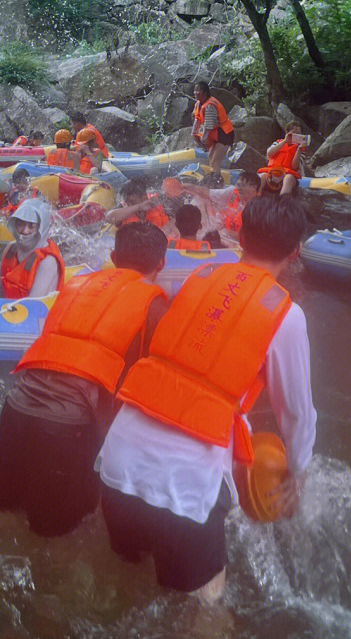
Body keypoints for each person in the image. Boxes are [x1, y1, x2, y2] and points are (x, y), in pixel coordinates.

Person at [95, 194, 316, 599]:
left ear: (240, 236)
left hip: (117, 462)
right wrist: (298, 475)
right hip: (185, 489)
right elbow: (297, 415)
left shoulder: (195, 279)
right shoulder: (287, 315)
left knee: (123, 588)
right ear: (296, 251)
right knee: (205, 614)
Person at [0, 222, 170, 536]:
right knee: (57, 541)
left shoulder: (76, 286)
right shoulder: (154, 306)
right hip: (67, 428)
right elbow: (142, 389)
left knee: (3, 520)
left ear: (113, 256)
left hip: (16, 406)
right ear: (162, 264)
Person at [0, 198, 65, 298]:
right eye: (20, 224)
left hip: (29, 311)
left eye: (31, 226)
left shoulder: (48, 261)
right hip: (7, 308)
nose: (25, 231)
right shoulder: (11, 248)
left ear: (41, 228)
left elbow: (33, 304)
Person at [182, 171, 261, 238]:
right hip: (225, 235)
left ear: (254, 187)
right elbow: (208, 193)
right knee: (200, 200)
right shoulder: (233, 192)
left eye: (243, 185)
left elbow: (251, 238)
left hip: (240, 244)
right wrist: (190, 187)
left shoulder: (259, 208)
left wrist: (224, 232)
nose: (239, 188)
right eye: (238, 185)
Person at [191, 81, 234, 178]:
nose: (195, 93)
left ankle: (217, 181)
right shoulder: (198, 104)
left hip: (225, 133)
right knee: (210, 156)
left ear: (205, 93)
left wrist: (204, 139)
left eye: (198, 91)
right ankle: (213, 177)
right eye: (195, 90)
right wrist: (194, 133)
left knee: (215, 160)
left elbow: (209, 125)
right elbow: (197, 119)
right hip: (216, 133)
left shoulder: (210, 106)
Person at [259, 122, 305, 196]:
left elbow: (294, 166)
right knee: (262, 176)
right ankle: (255, 199)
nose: (296, 136)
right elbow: (269, 153)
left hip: (287, 175)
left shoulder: (301, 150)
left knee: (288, 178)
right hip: (272, 173)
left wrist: (299, 150)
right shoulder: (278, 142)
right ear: (287, 133)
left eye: (299, 134)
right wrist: (284, 141)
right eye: (294, 133)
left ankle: (282, 202)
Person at [105, 180, 169, 228]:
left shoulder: (158, 202)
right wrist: (139, 207)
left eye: (132, 201)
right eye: (127, 202)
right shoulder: (124, 209)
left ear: (144, 197)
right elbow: (109, 218)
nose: (129, 204)